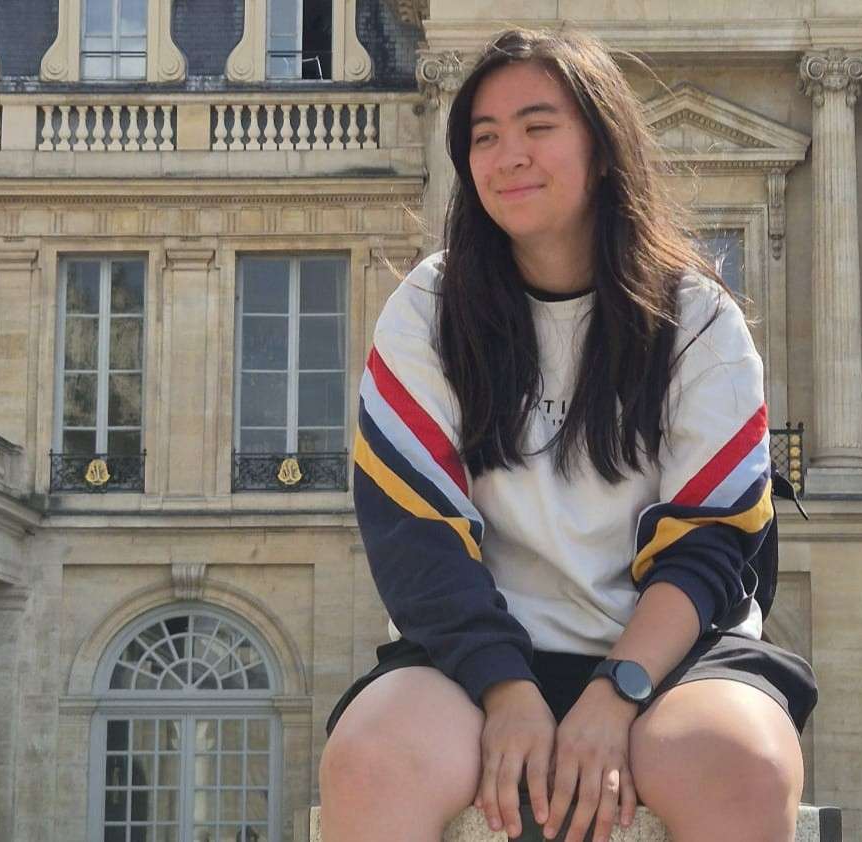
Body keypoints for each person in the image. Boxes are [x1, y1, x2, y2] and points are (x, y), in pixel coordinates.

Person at [318, 26, 817, 842]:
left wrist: (617, 691)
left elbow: (710, 544)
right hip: (475, 652)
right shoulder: (428, 309)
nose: (506, 155)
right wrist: (505, 689)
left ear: (603, 148)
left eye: (537, 126)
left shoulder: (697, 319)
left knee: (742, 763)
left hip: (670, 655)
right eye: (484, 136)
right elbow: (415, 537)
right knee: (369, 759)